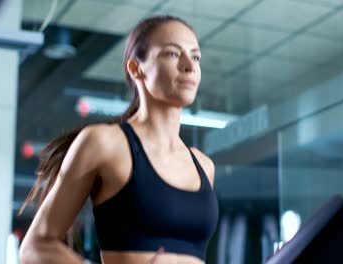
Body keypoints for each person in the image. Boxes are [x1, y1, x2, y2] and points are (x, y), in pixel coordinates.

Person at [19, 15, 219, 264]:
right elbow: (36, 247)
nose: (189, 66)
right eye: (172, 54)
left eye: (196, 56)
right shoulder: (105, 144)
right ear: (136, 68)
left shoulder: (204, 166)